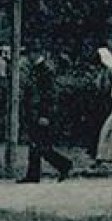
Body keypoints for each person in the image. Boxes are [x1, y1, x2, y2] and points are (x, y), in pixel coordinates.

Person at [18, 54, 73, 183]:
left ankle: (63, 164)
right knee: (35, 144)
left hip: (40, 114)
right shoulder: (38, 69)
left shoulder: (44, 71)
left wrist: (45, 114)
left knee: (41, 146)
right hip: (35, 113)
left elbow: (49, 95)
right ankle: (33, 174)